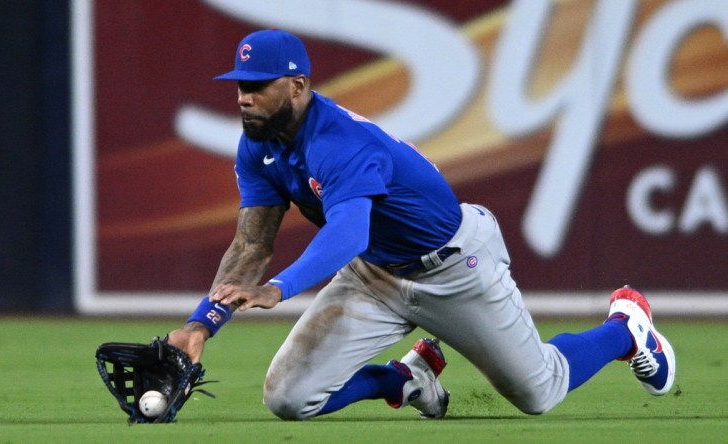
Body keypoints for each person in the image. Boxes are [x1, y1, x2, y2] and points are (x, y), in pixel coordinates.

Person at [168, 29, 675, 420]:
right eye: (239, 84)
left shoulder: (340, 142)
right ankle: (408, 381)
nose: (243, 97)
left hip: (454, 265)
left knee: (539, 391)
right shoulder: (259, 142)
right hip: (375, 275)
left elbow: (349, 232)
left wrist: (280, 288)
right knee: (288, 400)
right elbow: (252, 241)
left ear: (298, 85)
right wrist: (200, 325)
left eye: (257, 86)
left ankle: (625, 330)